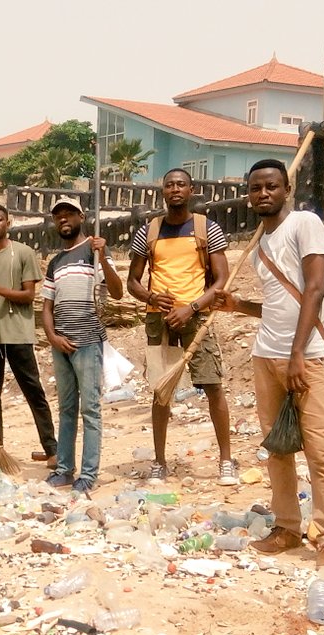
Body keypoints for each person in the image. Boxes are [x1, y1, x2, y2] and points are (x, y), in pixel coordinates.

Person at [213, 158, 324, 571]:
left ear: (287, 189)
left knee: (320, 452)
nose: (263, 193)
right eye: (255, 188)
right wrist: (238, 306)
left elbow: (315, 289)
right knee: (278, 448)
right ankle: (287, 526)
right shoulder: (259, 247)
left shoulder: (306, 224)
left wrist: (298, 354)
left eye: (271, 186)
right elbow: (275, 305)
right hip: (266, 354)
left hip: (308, 357)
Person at [127, 168, 238, 485]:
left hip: (196, 317)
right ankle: (160, 462)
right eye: (169, 184)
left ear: (192, 190)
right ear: (162, 192)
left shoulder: (206, 228)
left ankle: (225, 461)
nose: (175, 189)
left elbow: (221, 281)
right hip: (158, 319)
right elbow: (132, 282)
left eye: (181, 184)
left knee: (213, 385)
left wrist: (191, 308)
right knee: (161, 391)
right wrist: (151, 297)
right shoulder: (149, 231)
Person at [0, 203, 57, 466]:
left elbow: (28, 296)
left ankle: (51, 450)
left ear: (8, 223)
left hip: (18, 335)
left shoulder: (23, 253)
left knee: (33, 391)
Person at [41, 196, 123, 493]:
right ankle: (64, 469)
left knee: (90, 409)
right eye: (58, 215)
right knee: (65, 409)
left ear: (81, 216)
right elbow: (47, 307)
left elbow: (116, 292)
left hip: (88, 340)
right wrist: (52, 337)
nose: (63, 219)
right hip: (61, 343)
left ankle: (88, 475)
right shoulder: (55, 262)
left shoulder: (94, 249)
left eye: (69, 214)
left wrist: (104, 257)